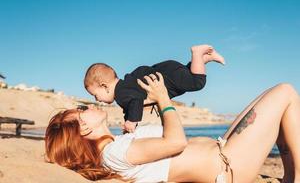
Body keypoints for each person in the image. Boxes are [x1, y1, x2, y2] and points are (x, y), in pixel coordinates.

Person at [45, 72, 300, 183]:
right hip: (228, 165)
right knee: (285, 92)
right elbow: (176, 142)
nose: (85, 108)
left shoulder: (116, 147)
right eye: (80, 113)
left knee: (272, 97)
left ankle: (291, 178)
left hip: (224, 153)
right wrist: (163, 97)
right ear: (85, 130)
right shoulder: (115, 153)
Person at [84, 44, 225, 132]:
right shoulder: (125, 88)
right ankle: (204, 59)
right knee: (189, 76)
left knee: (197, 83)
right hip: (168, 70)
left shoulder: (121, 93)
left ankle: (197, 53)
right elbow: (130, 108)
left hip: (169, 76)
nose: (97, 100)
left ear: (104, 86)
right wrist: (128, 123)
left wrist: (132, 121)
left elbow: (136, 101)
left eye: (95, 95)